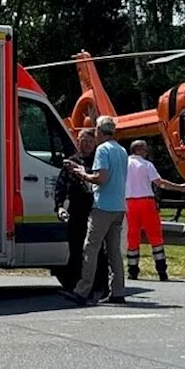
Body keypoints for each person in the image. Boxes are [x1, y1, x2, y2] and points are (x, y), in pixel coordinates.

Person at [63, 115, 128, 305]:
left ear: (99, 131)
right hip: (119, 206)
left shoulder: (103, 149)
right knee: (114, 251)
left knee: (90, 247)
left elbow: (101, 178)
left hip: (103, 206)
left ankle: (82, 290)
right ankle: (118, 290)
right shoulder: (122, 150)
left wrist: (82, 173)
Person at [55, 129, 109, 298]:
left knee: (97, 250)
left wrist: (82, 170)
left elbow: (99, 179)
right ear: (78, 141)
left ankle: (100, 286)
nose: (86, 145)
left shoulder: (99, 161)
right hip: (76, 209)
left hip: (95, 209)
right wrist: (59, 206)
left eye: (90, 142)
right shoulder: (70, 162)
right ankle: (74, 285)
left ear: (95, 144)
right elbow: (61, 186)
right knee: (75, 248)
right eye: (83, 141)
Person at [125, 140, 185, 281]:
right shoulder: (147, 165)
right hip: (146, 202)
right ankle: (161, 271)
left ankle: (132, 270)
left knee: (132, 237)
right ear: (140, 150)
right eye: (145, 149)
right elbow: (160, 183)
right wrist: (180, 187)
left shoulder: (124, 164)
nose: (147, 152)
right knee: (155, 236)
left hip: (129, 203)